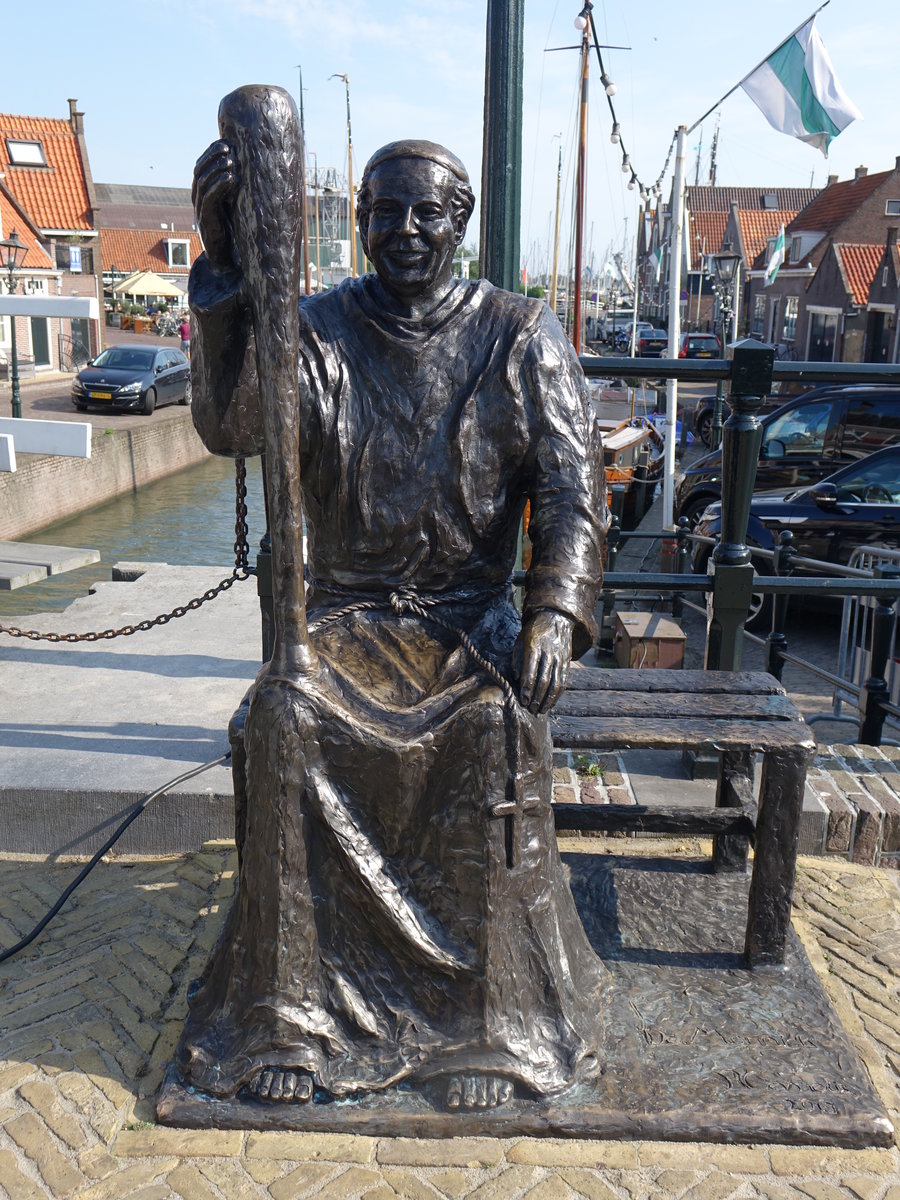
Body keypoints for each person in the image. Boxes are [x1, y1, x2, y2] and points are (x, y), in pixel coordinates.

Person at [176, 138, 608, 1113]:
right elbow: (235, 425)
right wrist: (227, 272)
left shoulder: (518, 335)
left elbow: (576, 494)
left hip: (471, 627)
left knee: (489, 734)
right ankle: (291, 1021)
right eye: (385, 212)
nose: (404, 231)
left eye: (426, 213)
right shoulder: (319, 328)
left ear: (458, 222)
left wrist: (553, 614)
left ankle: (491, 1026)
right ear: (361, 219)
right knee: (284, 719)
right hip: (347, 624)